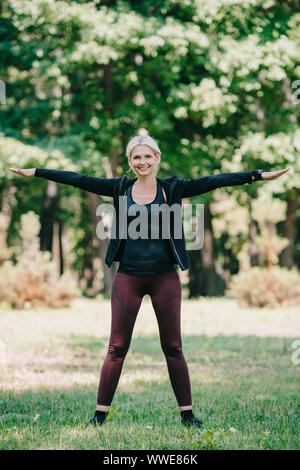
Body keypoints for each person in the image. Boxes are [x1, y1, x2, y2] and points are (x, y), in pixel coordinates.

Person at [9, 132, 290, 429]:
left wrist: (257, 175)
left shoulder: (173, 189)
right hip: (128, 278)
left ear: (157, 158)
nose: (142, 162)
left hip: (165, 278)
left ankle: (188, 415)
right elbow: (79, 179)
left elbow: (216, 180)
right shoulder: (120, 188)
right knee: (116, 348)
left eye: (147, 156)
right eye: (136, 157)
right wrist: (38, 172)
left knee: (173, 347)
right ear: (130, 162)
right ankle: (99, 416)